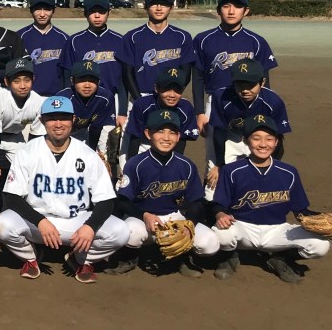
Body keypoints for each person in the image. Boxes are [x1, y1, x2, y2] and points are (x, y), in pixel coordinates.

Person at [0, 97, 131, 283]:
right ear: (42, 121)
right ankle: (31, 256)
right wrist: (40, 221)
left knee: (121, 231)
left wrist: (90, 226)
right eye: (52, 118)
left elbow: (106, 200)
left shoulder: (87, 154)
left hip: (76, 221)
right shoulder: (27, 151)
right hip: (37, 221)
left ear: (73, 119)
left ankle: (80, 259)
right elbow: (11, 196)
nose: (58, 124)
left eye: (64, 118)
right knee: (2, 224)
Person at [212, 115, 328, 283]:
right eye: (256, 138)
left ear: (276, 142)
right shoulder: (232, 170)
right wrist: (220, 214)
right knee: (221, 234)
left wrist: (319, 219)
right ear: (246, 141)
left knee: (320, 245)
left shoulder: (289, 172)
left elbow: (300, 210)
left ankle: (280, 259)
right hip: (243, 229)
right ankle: (230, 257)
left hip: (277, 230)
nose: (263, 144)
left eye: (269, 139)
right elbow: (219, 204)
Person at [107, 109, 216, 277]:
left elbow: (196, 202)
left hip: (175, 218)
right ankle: (129, 256)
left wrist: (189, 225)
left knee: (210, 243)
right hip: (142, 219)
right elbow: (122, 201)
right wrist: (144, 215)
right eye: (160, 131)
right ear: (148, 134)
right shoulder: (135, 164)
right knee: (130, 232)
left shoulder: (186, 165)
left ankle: (181, 258)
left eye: (172, 132)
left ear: (178, 137)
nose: (166, 137)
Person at [194, 0, 278, 129]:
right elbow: (198, 78)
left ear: (246, 11)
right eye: (226, 6)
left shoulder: (257, 41)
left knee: (251, 142)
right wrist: (199, 112)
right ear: (218, 10)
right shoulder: (203, 40)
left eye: (238, 6)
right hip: (215, 102)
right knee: (215, 143)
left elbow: (264, 81)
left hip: (250, 102)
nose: (231, 11)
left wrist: (264, 108)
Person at [207, 59, 291, 191]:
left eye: (250, 85)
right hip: (230, 138)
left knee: (259, 183)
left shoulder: (273, 102)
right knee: (213, 188)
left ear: (262, 82)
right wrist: (219, 165)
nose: (245, 90)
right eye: (240, 84)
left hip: (258, 141)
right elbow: (219, 132)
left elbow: (278, 139)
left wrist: (272, 166)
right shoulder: (221, 97)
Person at [61, 0, 131, 125]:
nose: (97, 15)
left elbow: (123, 81)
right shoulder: (74, 41)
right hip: (81, 101)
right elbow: (67, 78)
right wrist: (67, 107)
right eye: (92, 11)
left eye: (102, 11)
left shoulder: (120, 40)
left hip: (112, 100)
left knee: (108, 137)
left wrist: (122, 112)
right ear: (85, 13)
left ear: (109, 12)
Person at [120, 0, 197, 97]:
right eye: (154, 3)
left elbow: (186, 73)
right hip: (141, 95)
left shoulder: (183, 37)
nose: (159, 8)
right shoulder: (132, 37)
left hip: (171, 96)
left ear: (171, 7)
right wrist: (139, 100)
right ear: (145, 6)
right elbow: (127, 74)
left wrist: (172, 94)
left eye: (164, 4)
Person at [0, 57, 47, 191]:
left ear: (33, 79)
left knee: (29, 171)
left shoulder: (38, 101)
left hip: (15, 138)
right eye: (16, 81)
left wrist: (33, 159)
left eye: (27, 80)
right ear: (6, 81)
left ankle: (18, 200)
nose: (23, 86)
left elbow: (36, 136)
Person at [124, 67, 199, 158]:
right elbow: (135, 138)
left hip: (171, 147)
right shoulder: (142, 105)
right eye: (167, 89)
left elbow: (181, 141)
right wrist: (132, 162)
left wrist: (174, 163)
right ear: (157, 88)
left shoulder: (186, 108)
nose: (172, 95)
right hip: (144, 145)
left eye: (178, 90)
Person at [16, 0, 68, 96]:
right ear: (31, 10)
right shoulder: (19, 37)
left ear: (53, 10)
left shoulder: (64, 39)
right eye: (38, 9)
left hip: (55, 97)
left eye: (47, 9)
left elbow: (66, 74)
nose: (42, 14)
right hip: (28, 97)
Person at [56, 61, 117, 151]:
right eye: (82, 80)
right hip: (62, 136)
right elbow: (55, 129)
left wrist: (97, 152)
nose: (87, 85)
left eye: (92, 80)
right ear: (72, 81)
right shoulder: (62, 99)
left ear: (98, 81)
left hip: (85, 135)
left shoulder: (105, 98)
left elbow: (99, 128)